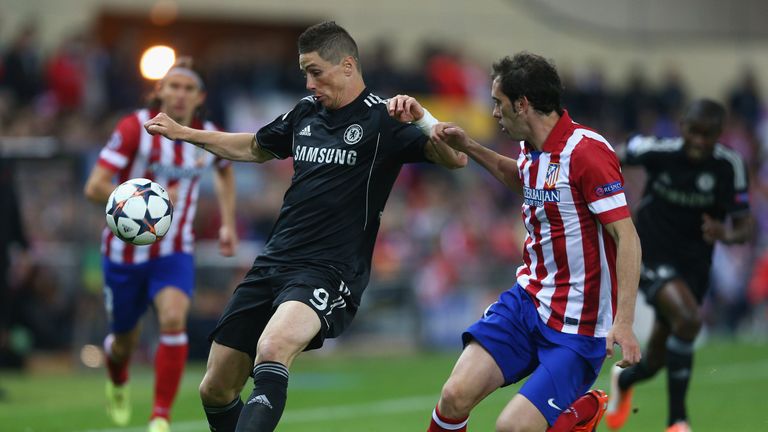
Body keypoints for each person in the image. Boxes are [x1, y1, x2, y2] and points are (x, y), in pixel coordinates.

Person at [144, 21, 467, 432]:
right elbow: (254, 147)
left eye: (316, 71)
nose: (309, 82)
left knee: (273, 347)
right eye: (304, 73)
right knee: (216, 387)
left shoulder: (385, 118)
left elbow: (456, 159)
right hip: (274, 261)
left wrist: (423, 119)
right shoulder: (305, 112)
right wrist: (183, 132)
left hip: (329, 269)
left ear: (347, 66)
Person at [412, 52, 642, 432]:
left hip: (579, 325)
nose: (494, 113)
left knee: (512, 428)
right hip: (528, 301)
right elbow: (522, 179)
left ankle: (578, 414)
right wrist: (468, 146)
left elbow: (626, 236)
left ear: (522, 104)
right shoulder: (530, 146)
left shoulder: (586, 152)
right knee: (454, 395)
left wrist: (625, 322)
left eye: (498, 103)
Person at [84, 58, 238, 432]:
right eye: (173, 87)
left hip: (174, 251)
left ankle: (160, 417)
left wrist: (228, 224)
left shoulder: (206, 134)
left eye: (188, 89)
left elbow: (226, 170)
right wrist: (137, 198)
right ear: (159, 92)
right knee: (124, 342)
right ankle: (117, 376)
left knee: (172, 318)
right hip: (124, 255)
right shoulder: (134, 127)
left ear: (200, 96)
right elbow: (94, 187)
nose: (180, 95)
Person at [605, 99, 753, 432]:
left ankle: (625, 380)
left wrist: (725, 234)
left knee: (658, 359)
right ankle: (677, 421)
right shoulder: (659, 149)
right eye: (694, 132)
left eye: (708, 134)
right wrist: (606, 201)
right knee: (688, 318)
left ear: (719, 134)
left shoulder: (730, 165)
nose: (700, 141)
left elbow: (745, 227)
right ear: (682, 126)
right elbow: (609, 156)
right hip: (650, 253)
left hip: (694, 267)